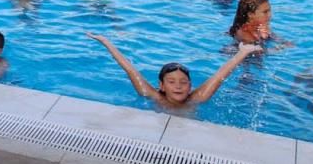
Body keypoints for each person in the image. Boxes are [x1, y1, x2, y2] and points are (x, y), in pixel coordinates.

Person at [87, 33, 261, 109]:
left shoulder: (196, 98)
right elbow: (130, 70)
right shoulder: (155, 97)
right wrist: (106, 42)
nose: (178, 86)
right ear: (161, 86)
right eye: (171, 82)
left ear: (190, 86)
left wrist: (242, 53)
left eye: (183, 82)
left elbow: (220, 76)